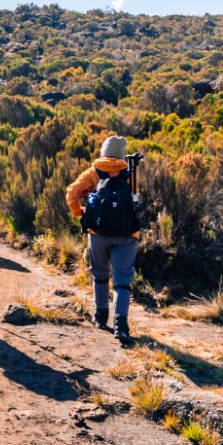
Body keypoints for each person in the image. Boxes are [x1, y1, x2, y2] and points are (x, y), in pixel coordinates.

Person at [66, 134, 137, 346]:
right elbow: (136, 202)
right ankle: (120, 324)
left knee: (99, 275)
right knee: (123, 280)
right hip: (127, 236)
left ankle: (100, 317)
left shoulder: (93, 172)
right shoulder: (131, 173)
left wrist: (83, 215)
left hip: (97, 234)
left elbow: (71, 194)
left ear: (104, 152)